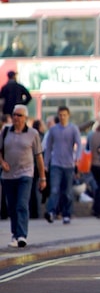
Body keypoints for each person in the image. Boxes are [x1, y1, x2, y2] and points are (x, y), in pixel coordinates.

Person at [0, 104, 46, 247]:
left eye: (19, 115)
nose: (15, 118)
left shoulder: (33, 134)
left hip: (26, 174)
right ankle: (15, 235)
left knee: (21, 204)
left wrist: (43, 177)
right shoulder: (6, 131)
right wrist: (2, 163)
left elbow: (38, 156)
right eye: (14, 114)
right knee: (12, 206)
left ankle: (22, 235)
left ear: (25, 118)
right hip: (8, 175)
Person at [44, 106, 81, 224]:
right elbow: (48, 147)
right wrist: (46, 163)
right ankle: (51, 211)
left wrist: (77, 159)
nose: (62, 117)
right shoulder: (53, 130)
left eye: (64, 115)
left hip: (69, 164)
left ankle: (67, 213)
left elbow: (79, 144)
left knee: (67, 191)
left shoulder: (73, 129)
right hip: (56, 163)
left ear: (68, 115)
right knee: (54, 189)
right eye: (60, 115)